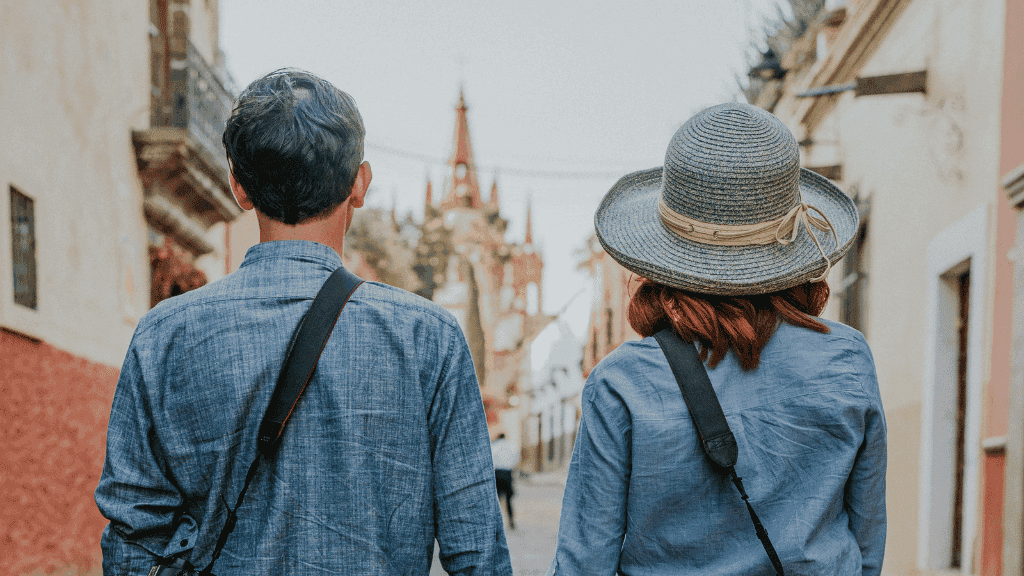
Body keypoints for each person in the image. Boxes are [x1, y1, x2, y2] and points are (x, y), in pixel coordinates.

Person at [95, 69, 513, 575]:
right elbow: (477, 550)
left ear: (238, 187)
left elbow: (133, 538)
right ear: (360, 184)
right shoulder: (430, 338)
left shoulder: (164, 335)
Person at [548, 103, 886, 576]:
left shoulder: (622, 382)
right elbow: (866, 538)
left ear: (660, 256)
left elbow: (585, 562)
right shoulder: (847, 358)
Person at [490, 433, 520, 530]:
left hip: (497, 473)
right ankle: (511, 521)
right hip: (507, 473)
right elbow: (516, 459)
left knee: (496, 500)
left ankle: (494, 523)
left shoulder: (493, 446)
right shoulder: (511, 446)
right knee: (508, 500)